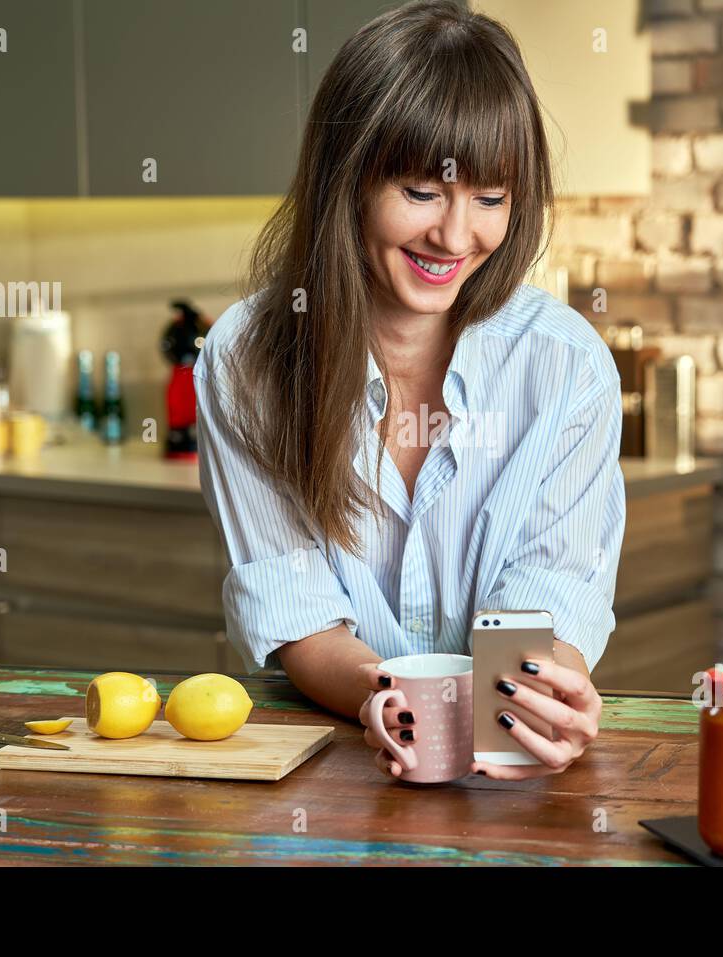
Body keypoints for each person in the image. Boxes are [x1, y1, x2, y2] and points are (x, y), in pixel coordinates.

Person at [195, 0, 624, 780]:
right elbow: (304, 620)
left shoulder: (565, 368)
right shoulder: (246, 363)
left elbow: (543, 606)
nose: (457, 237)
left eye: (491, 199)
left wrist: (535, 704)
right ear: (347, 179)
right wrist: (389, 702)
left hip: (511, 779)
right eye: (423, 192)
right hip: (330, 774)